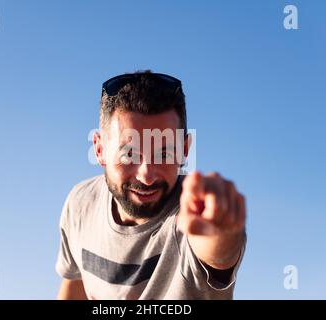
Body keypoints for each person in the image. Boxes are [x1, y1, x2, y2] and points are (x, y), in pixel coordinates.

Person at [56, 70, 247, 300]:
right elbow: (75, 283)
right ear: (99, 149)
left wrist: (221, 231)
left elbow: (217, 253)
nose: (147, 176)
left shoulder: (191, 215)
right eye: (130, 154)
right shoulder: (80, 203)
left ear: (184, 150)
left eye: (164, 153)